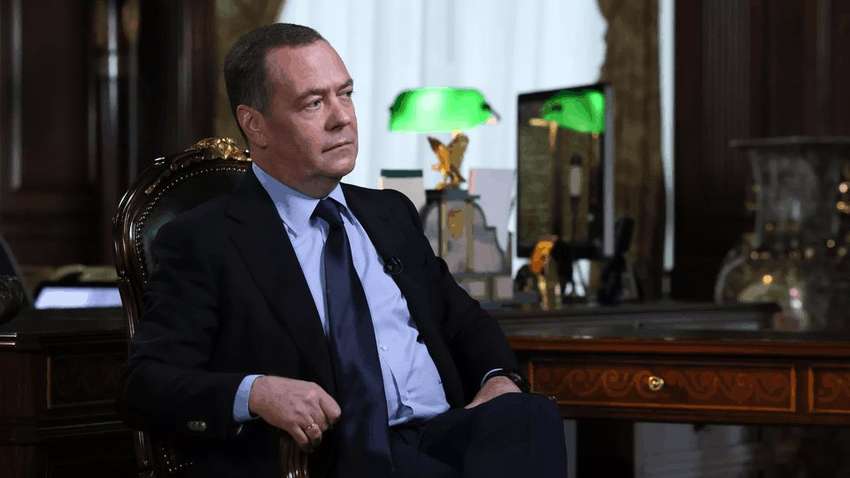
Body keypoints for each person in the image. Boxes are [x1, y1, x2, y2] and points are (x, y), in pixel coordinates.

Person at [124, 23, 566, 478]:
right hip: (342, 455)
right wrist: (257, 392)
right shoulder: (205, 239)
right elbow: (146, 383)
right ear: (255, 124)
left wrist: (498, 379)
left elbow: (463, 320)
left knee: (530, 415)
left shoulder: (390, 212)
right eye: (313, 103)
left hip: (445, 434)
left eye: (346, 94)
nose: (342, 118)